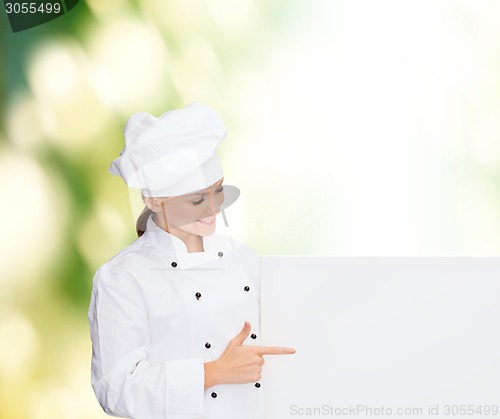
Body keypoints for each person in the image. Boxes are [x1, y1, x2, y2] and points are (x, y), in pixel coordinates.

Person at [88, 102, 295, 419]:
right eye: (197, 199)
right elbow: (117, 390)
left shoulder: (244, 258)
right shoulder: (122, 278)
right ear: (154, 200)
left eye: (218, 191)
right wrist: (214, 372)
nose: (213, 208)